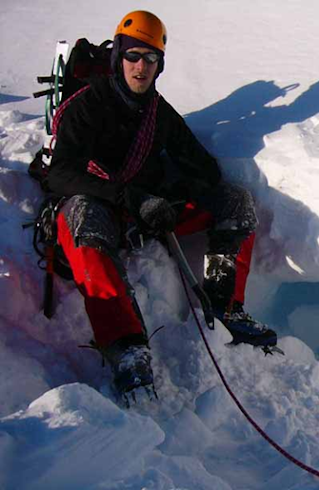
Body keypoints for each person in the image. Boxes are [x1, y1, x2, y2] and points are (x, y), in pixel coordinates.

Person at [46, 10, 276, 396]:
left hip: (146, 209)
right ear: (119, 56)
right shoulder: (89, 106)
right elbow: (60, 174)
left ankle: (225, 305)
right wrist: (132, 197)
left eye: (150, 58)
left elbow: (203, 167)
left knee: (235, 203)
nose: (141, 66)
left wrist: (173, 193)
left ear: (160, 65)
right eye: (133, 55)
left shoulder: (157, 111)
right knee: (85, 220)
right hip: (100, 205)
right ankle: (127, 347)